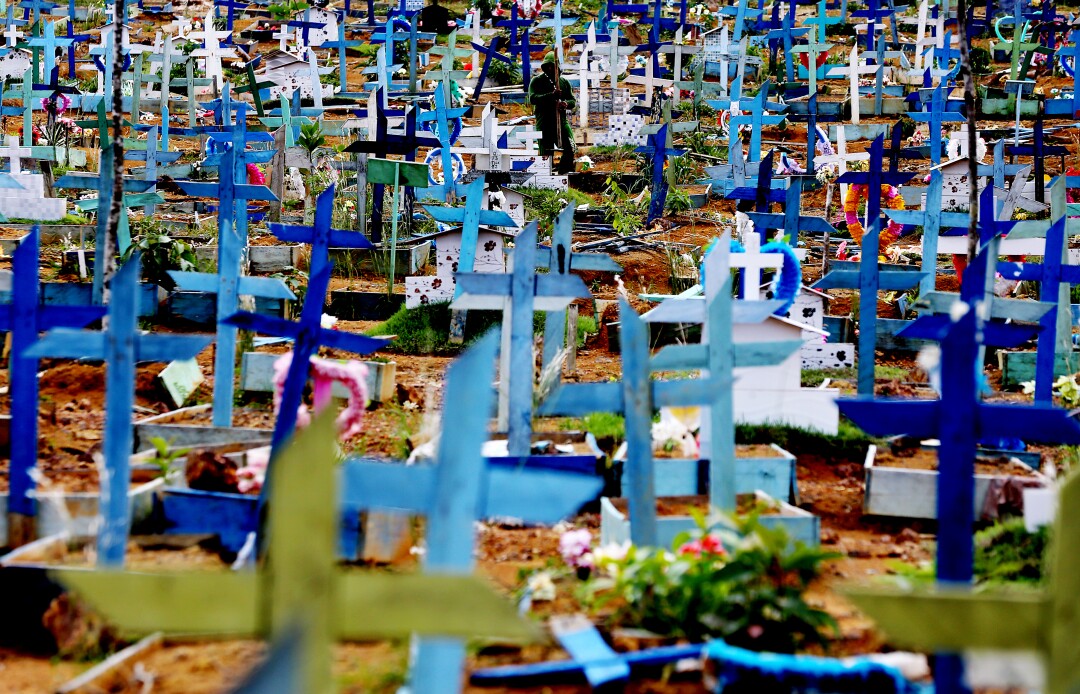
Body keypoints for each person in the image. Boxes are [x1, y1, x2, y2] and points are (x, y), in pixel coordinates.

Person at [529, 52, 576, 174]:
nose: (550, 69)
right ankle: (545, 177)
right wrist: (551, 96)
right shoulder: (537, 81)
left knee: (570, 147)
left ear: (557, 67)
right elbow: (533, 98)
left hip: (561, 121)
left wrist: (565, 104)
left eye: (552, 66)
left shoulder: (564, 83)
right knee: (546, 153)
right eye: (547, 66)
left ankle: (563, 173)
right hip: (544, 122)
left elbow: (572, 100)